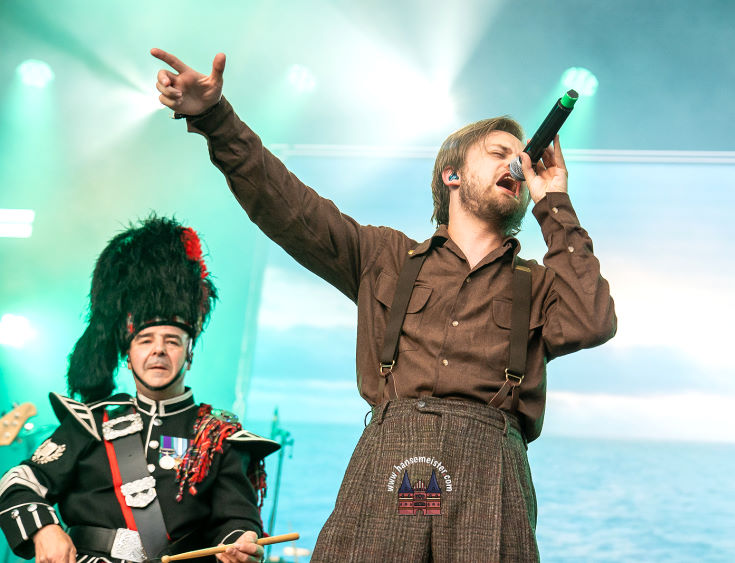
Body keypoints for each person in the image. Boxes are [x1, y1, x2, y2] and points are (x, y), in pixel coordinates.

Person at [151, 47, 616, 561]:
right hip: (387, 472)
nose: (517, 162)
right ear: (452, 175)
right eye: (498, 151)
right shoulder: (385, 257)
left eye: (521, 157)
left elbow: (592, 321)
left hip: (492, 485)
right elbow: (287, 206)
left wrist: (554, 200)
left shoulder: (540, 284)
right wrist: (216, 118)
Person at [0, 216, 279, 562]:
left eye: (172, 341)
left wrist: (242, 544)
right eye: (145, 340)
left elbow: (237, 522)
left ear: (189, 354)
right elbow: (19, 481)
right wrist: (45, 529)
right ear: (129, 357)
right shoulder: (89, 423)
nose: (158, 350)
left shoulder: (217, 436)